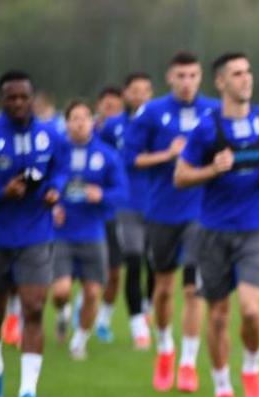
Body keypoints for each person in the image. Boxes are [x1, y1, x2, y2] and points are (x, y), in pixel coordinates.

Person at [175, 52, 259, 397]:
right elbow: (181, 176)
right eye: (237, 73)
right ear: (221, 82)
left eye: (248, 71)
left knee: (251, 310)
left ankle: (251, 368)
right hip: (213, 233)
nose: (246, 78)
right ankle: (222, 387)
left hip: (255, 230)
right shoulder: (206, 128)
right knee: (218, 315)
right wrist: (211, 170)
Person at [125, 52, 219, 393]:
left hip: (201, 214)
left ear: (201, 78)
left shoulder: (214, 111)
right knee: (163, 289)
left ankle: (189, 362)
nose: (187, 82)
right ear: (169, 78)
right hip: (162, 212)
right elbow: (131, 159)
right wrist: (168, 154)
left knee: (193, 290)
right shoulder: (151, 113)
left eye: (193, 75)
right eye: (181, 75)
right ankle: (165, 349)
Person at [0, 70, 66, 397]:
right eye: (12, 97)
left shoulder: (49, 133)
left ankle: (28, 391)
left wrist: (56, 190)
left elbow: (61, 170)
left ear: (32, 97)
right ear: (2, 100)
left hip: (36, 234)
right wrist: (2, 193)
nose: (19, 103)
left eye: (24, 97)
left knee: (35, 308)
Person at [51, 100, 127, 359]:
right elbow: (44, 184)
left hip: (93, 233)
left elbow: (122, 193)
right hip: (61, 234)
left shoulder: (106, 155)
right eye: (75, 117)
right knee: (60, 291)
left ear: (93, 122)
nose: (80, 122)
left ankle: (80, 340)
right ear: (67, 122)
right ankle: (62, 313)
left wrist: (102, 194)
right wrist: (52, 205)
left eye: (85, 117)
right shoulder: (56, 152)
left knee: (93, 292)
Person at [100, 72, 155, 349]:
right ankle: (138, 326)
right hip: (126, 205)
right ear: (126, 94)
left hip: (158, 205)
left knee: (156, 263)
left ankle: (149, 307)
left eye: (146, 90)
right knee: (132, 260)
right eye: (135, 90)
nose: (140, 95)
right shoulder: (112, 127)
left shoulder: (158, 123)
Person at [91, 85, 127, 343]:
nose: (112, 111)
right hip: (79, 219)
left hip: (111, 215)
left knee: (115, 272)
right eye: (107, 106)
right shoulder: (81, 135)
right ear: (99, 106)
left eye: (116, 107)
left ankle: (103, 320)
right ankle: (72, 307)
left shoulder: (122, 138)